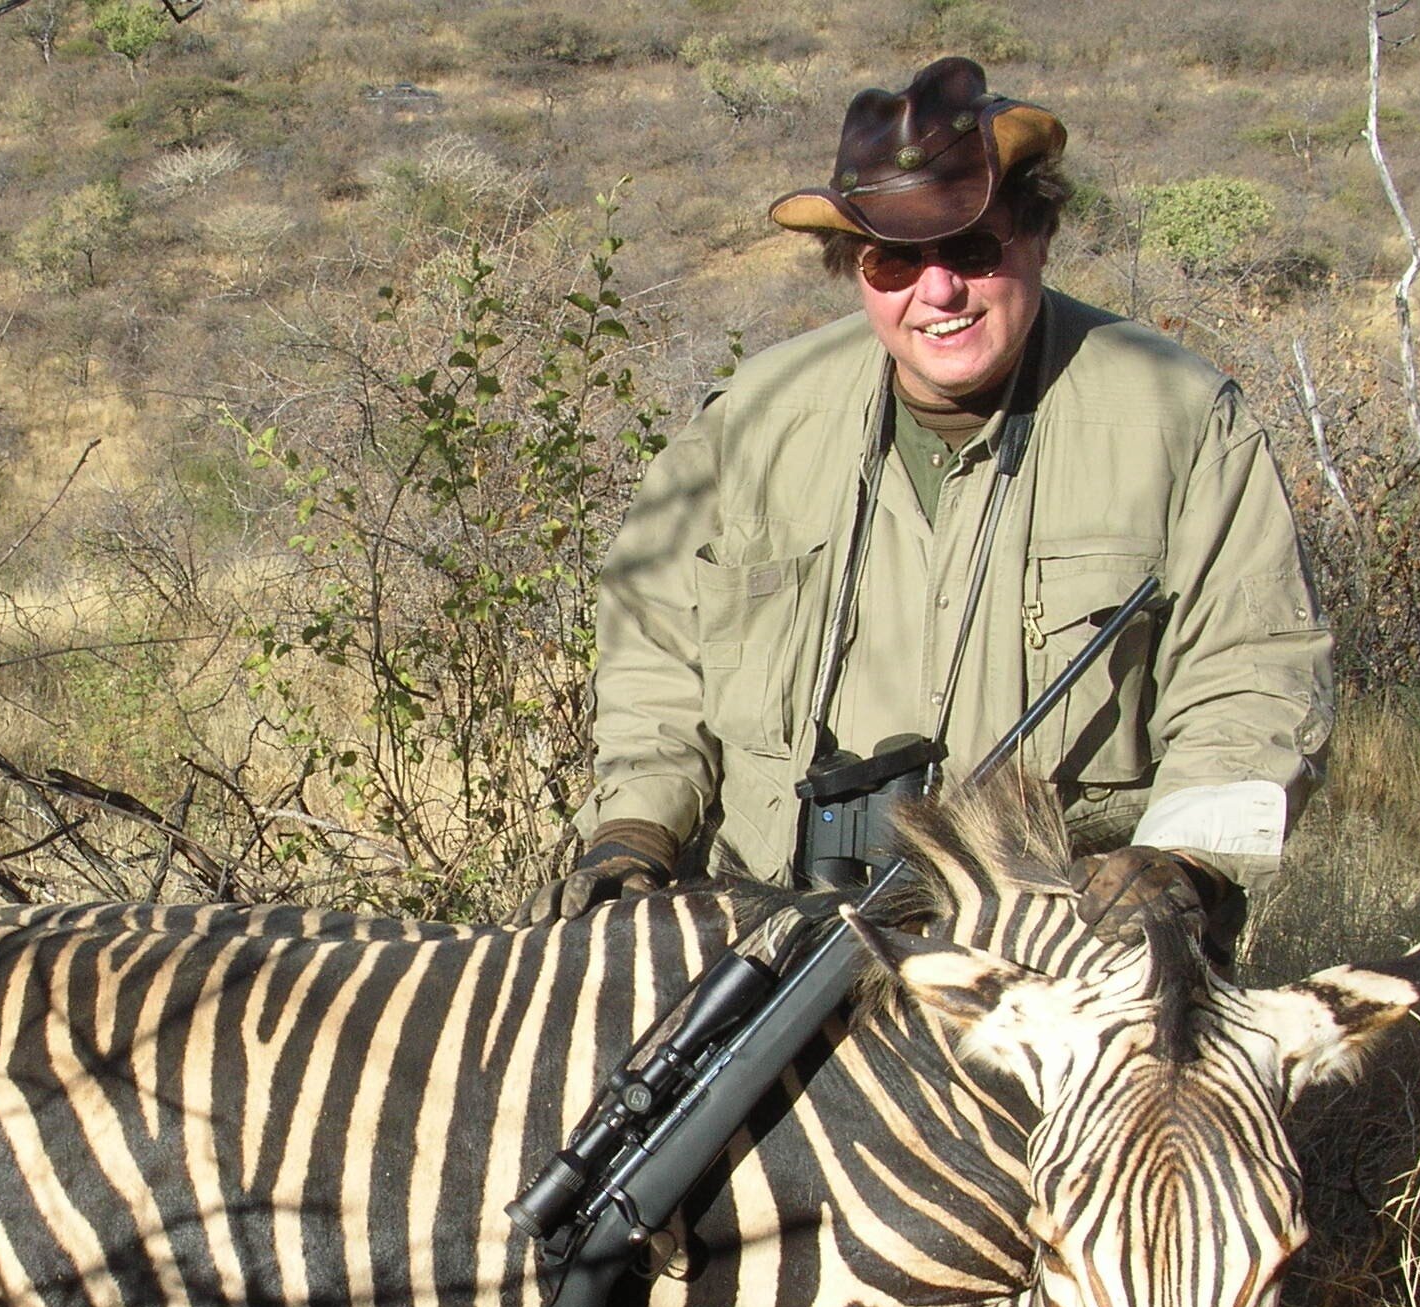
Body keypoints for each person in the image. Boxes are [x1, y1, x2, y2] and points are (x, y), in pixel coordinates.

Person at [527, 57, 1331, 948]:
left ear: (1037, 235)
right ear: (854, 268)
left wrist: (1179, 865)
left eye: (973, 249)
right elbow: (656, 661)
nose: (937, 291)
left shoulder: (1180, 419)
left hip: (1061, 947)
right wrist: (635, 831)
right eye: (895, 259)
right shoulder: (747, 423)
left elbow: (1254, 675)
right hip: (771, 931)